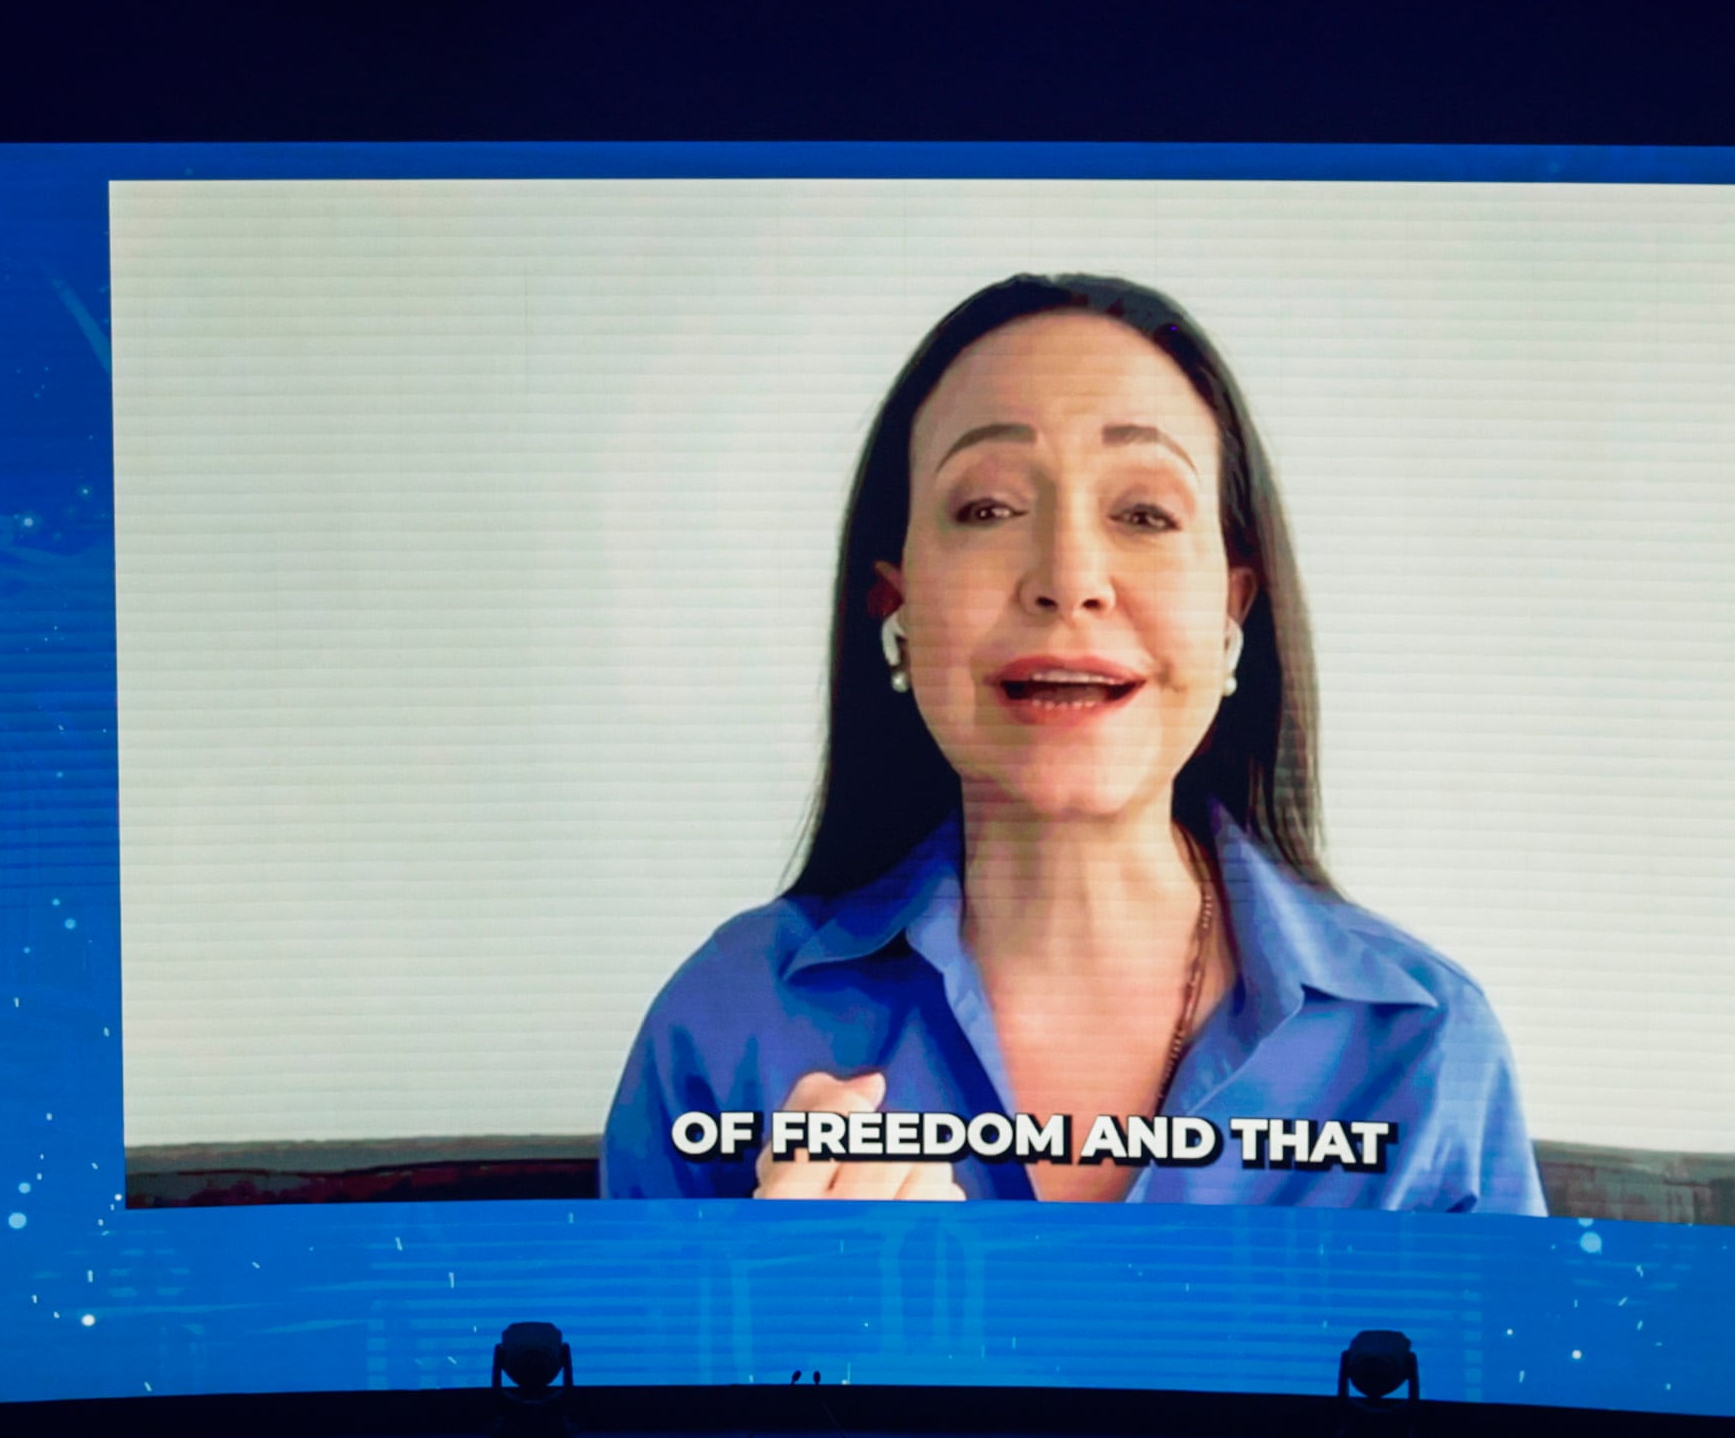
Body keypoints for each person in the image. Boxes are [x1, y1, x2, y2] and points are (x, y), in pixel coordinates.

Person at [600, 272, 1536, 1209]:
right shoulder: (720, 1030)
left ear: (1231, 616)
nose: (1069, 577)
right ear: (897, 606)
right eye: (989, 509)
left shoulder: (1424, 1050)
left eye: (1144, 514)